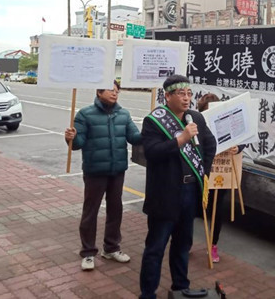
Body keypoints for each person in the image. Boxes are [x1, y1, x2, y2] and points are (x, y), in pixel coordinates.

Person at [139, 75, 217, 299]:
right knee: (156, 247)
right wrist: (181, 139)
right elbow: (152, 153)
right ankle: (147, 293)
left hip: (191, 191)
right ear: (168, 96)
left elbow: (210, 145)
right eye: (181, 94)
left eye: (189, 93)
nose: (186, 98)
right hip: (165, 194)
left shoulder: (195, 118)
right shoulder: (153, 121)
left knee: (183, 244)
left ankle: (180, 287)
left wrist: (205, 171)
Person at [64, 80, 142, 271]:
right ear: (99, 92)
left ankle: (111, 248)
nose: (115, 93)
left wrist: (151, 130)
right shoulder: (85, 114)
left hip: (117, 171)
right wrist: (70, 138)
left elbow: (135, 138)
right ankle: (88, 252)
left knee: (116, 209)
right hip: (94, 171)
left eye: (117, 91)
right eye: (110, 90)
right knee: (91, 211)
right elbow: (78, 143)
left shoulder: (123, 114)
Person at [197, 93, 244, 264]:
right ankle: (184, 241)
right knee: (194, 209)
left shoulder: (228, 122)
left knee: (217, 211)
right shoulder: (196, 124)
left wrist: (237, 147)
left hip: (221, 174)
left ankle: (213, 244)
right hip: (201, 174)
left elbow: (243, 138)